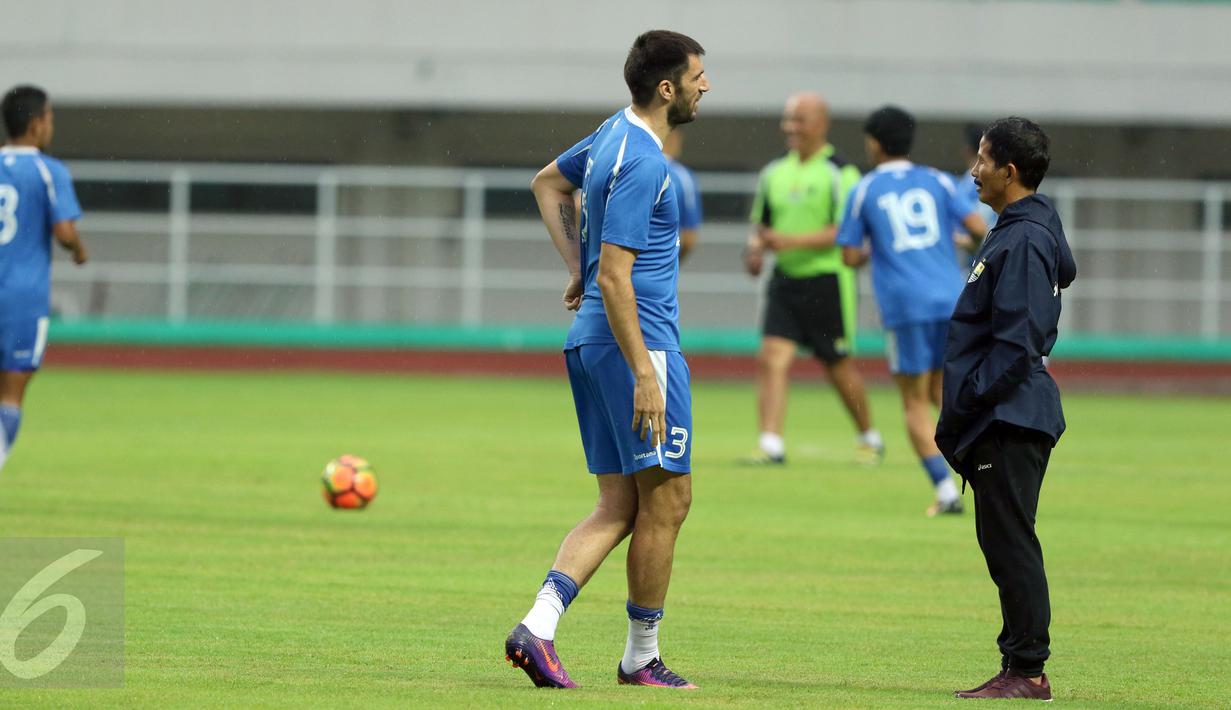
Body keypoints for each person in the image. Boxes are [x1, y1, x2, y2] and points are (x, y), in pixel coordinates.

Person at [507, 30, 709, 691]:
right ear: (666, 88)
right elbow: (617, 277)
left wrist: (575, 266)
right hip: (637, 343)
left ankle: (537, 627)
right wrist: (646, 374)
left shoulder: (609, 134)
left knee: (618, 505)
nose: (705, 86)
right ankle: (639, 658)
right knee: (669, 500)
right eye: (697, 77)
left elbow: (545, 184)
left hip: (591, 342)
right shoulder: (646, 162)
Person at [935, 117, 1077, 701]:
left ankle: (1026, 671)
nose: (974, 171)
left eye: (982, 160)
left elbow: (1018, 341)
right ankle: (1020, 665)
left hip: (1009, 415)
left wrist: (969, 399)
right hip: (1011, 412)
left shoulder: (1020, 240)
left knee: (1011, 543)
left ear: (1008, 172)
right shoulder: (1021, 230)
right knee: (1006, 542)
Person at [837, 106, 986, 516]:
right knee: (945, 393)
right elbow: (977, 230)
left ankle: (945, 491)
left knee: (914, 402)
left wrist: (877, 247)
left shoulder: (865, 189)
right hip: (952, 299)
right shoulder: (938, 180)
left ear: (874, 143)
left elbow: (849, 255)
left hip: (906, 306)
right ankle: (988, 473)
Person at [742, 91, 882, 465]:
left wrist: (786, 241)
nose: (791, 127)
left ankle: (869, 435)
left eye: (799, 120)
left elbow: (845, 231)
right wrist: (755, 250)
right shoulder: (774, 172)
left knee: (837, 365)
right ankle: (771, 443)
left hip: (827, 281)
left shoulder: (841, 171)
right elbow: (761, 224)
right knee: (772, 357)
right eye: (788, 119)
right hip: (785, 280)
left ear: (822, 123)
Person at [0, 85, 88, 474]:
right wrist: (80, 251)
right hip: (22, 298)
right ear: (36, 124)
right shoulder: (49, 171)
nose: (51, 126)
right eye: (50, 118)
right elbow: (65, 232)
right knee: (12, 391)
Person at [953, 123, 998, 256]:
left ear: (967, 151)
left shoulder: (965, 186)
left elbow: (980, 230)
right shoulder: (999, 181)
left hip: (977, 262)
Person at [662, 129, 702, 261]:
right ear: (672, 137)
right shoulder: (682, 177)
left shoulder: (626, 166)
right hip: (659, 271)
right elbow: (689, 237)